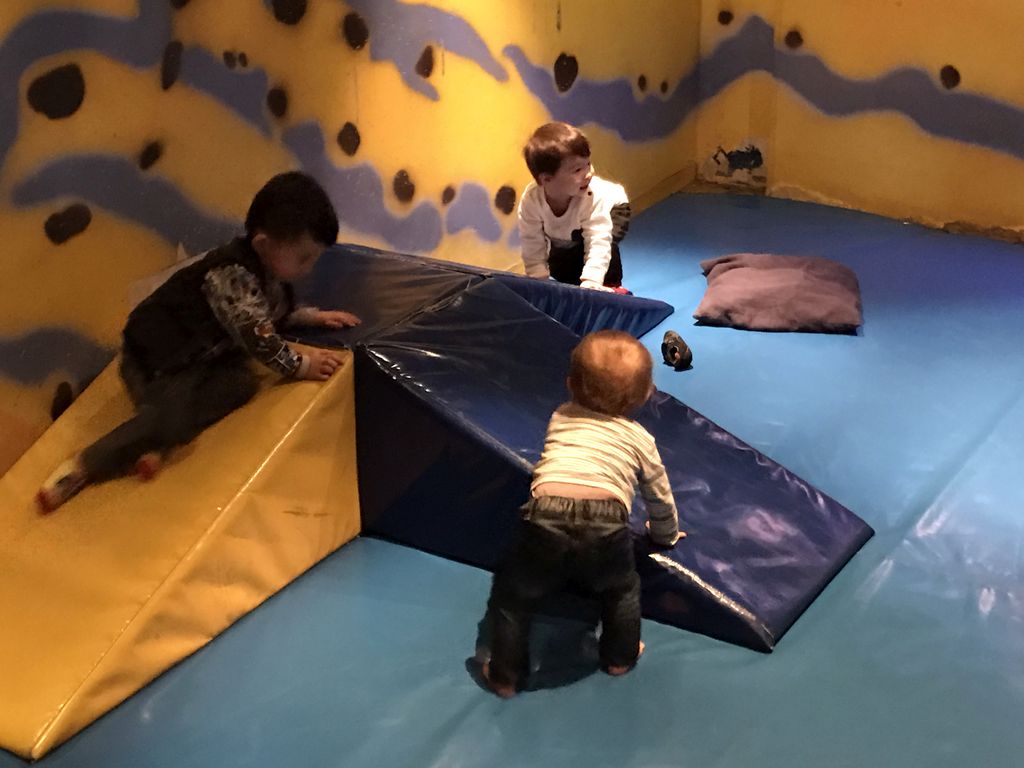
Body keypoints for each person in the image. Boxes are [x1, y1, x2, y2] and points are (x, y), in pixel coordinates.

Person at [36, 171, 360, 512]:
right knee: (170, 414)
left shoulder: (267, 272)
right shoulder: (229, 275)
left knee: (240, 384)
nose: (309, 268)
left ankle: (157, 446)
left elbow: (266, 311)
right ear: (263, 245)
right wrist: (303, 365)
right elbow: (259, 340)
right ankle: (85, 466)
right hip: (156, 362)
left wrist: (313, 317)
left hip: (201, 358)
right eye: (304, 258)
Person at [482, 330, 684, 697]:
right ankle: (621, 656)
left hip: (543, 513)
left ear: (570, 386)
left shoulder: (561, 416)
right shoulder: (640, 440)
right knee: (620, 588)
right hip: (607, 520)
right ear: (646, 395)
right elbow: (659, 495)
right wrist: (664, 535)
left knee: (514, 595)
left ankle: (504, 676)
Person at [518, 122, 632, 292]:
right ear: (546, 179)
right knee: (561, 261)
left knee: (602, 243)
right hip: (568, 229)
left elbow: (598, 239)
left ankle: (612, 286)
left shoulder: (592, 195)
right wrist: (537, 276)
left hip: (613, 208)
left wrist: (592, 280)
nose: (589, 173)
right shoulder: (532, 201)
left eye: (588, 164)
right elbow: (531, 240)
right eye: (578, 169)